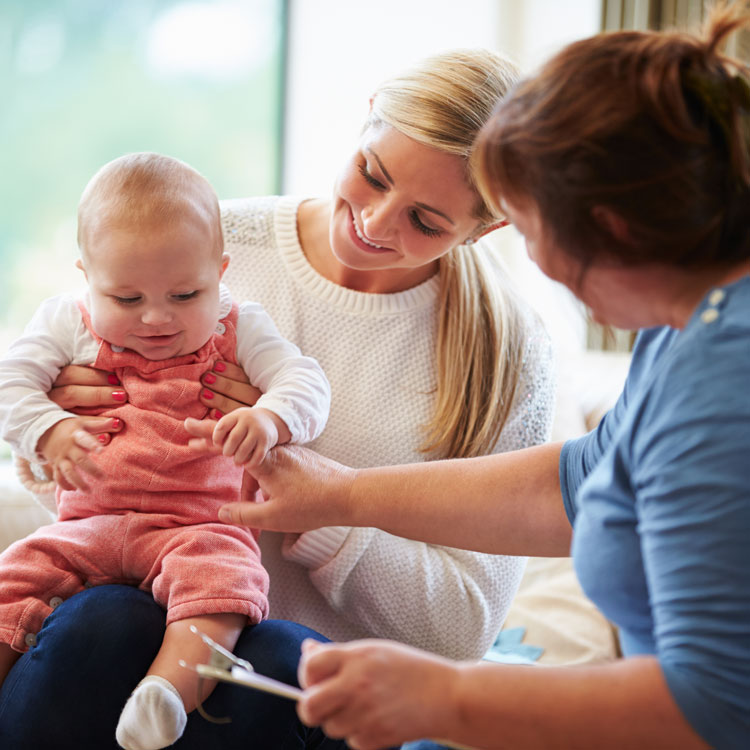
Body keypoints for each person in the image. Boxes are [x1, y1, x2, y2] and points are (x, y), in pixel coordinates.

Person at [197, 6, 750, 749]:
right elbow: (585, 479)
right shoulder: (686, 324)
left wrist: (452, 699)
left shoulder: (728, 376)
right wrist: (340, 496)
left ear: (612, 229)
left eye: (526, 228)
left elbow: (717, 705)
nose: (537, 265)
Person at [0, 50, 555, 749]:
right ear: (369, 111)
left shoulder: (507, 354)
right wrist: (57, 428)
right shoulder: (196, 240)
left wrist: (324, 505)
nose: (377, 225)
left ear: (487, 228)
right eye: (372, 174)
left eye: (426, 220)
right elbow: (73, 469)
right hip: (123, 632)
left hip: (298, 686)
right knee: (99, 622)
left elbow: (464, 630)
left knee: (294, 663)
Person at [0, 152, 331, 750]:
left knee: (224, 583)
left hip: (195, 524)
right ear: (86, 276)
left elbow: (306, 383)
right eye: (126, 300)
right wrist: (45, 428)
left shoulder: (241, 327)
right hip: (87, 525)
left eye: (185, 294)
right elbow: (8, 383)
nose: (156, 318)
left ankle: (166, 696)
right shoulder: (66, 322)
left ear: (221, 273)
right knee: (15, 578)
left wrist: (272, 416)